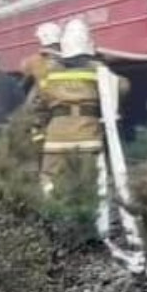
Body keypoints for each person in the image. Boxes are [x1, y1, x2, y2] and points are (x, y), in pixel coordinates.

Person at [37, 18, 128, 199]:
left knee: (49, 179)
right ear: (88, 45)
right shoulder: (97, 70)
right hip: (87, 136)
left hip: (57, 136)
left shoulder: (50, 72)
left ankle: (51, 212)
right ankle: (85, 215)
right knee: (87, 181)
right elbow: (123, 87)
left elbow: (40, 103)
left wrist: (38, 133)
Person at [21, 22, 63, 155]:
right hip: (60, 108)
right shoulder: (67, 59)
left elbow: (24, 72)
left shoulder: (35, 61)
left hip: (40, 111)